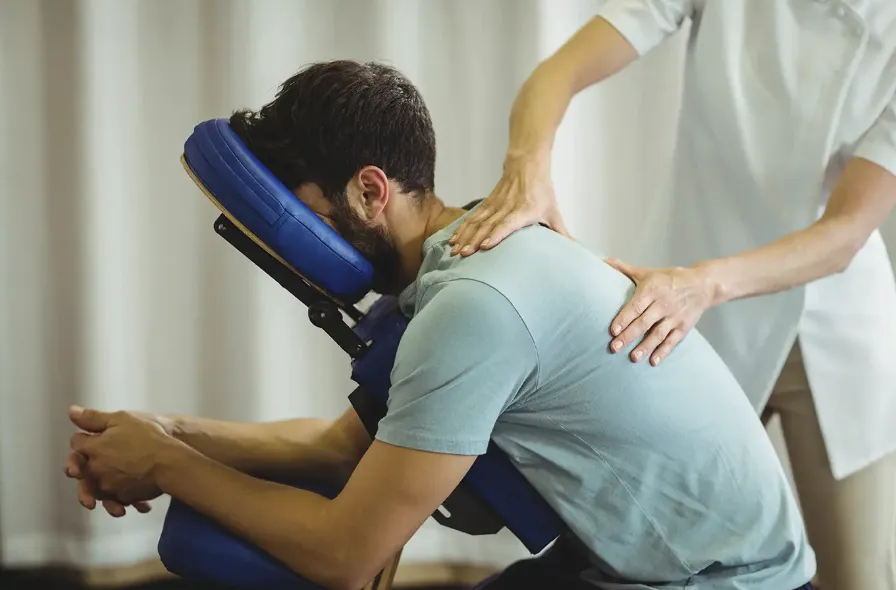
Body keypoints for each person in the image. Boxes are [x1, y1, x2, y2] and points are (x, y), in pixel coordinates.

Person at [64, 60, 816, 590]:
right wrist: (163, 432)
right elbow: (341, 448)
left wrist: (166, 467)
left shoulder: (474, 306)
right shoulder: (467, 261)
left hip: (727, 582)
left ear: (370, 192)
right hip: (679, 564)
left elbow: (345, 555)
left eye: (308, 216)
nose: (300, 245)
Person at [448, 4, 896, 589]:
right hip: (685, 318)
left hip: (829, 332)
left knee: (858, 575)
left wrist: (702, 284)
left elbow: (844, 234)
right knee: (634, 555)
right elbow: (556, 74)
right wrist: (525, 170)